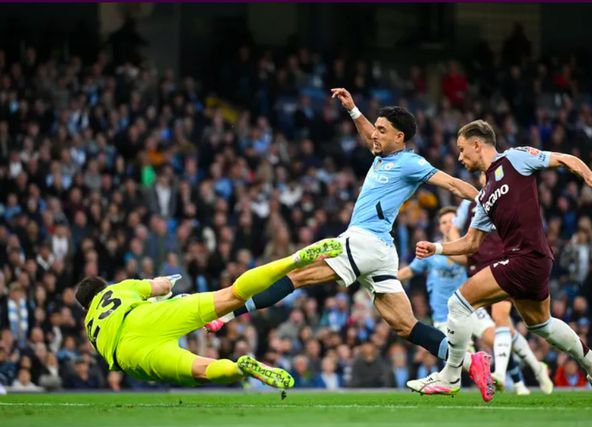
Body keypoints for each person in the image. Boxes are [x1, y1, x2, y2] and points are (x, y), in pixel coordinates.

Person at [205, 88, 494, 400]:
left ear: (399, 137)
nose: (375, 134)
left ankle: (226, 315)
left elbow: (452, 184)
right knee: (405, 326)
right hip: (379, 250)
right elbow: (369, 135)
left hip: (365, 241)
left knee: (297, 275)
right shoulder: (383, 155)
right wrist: (353, 110)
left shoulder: (411, 163)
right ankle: (470, 362)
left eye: (382, 130)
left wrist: (490, 199)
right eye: (376, 128)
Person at [407, 120, 592, 402]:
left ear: (477, 144)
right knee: (541, 324)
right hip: (533, 261)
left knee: (458, 303)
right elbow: (471, 243)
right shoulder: (484, 195)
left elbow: (563, 158)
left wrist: (589, 175)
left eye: (462, 149)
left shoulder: (515, 158)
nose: (459, 157)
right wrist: (438, 248)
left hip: (526, 257)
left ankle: (450, 376)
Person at [76, 239, 342, 389]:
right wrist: (167, 286)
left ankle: (240, 368)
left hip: (129, 352)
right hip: (146, 315)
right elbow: (161, 286)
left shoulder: (89, 326)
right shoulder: (120, 288)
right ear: (104, 286)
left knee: (202, 369)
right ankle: (294, 259)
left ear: (86, 307)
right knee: (232, 294)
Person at [400, 206, 542, 395]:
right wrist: (388, 279)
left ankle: (517, 382)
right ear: (439, 227)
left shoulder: (469, 249)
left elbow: (475, 262)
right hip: (443, 314)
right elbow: (411, 270)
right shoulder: (431, 251)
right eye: (443, 222)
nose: (447, 225)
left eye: (451, 221)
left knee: (497, 338)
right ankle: (489, 383)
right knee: (464, 357)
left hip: (470, 307)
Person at [451, 191, 554, 395]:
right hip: (478, 269)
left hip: (503, 265)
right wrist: (461, 247)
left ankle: (499, 373)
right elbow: (455, 228)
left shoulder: (507, 194)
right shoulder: (469, 203)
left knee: (500, 317)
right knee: (505, 331)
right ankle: (537, 368)